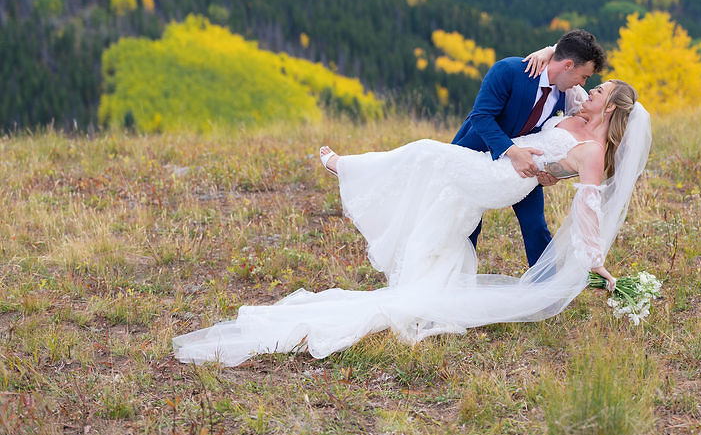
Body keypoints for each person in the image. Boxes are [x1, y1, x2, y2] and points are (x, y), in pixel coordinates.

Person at [173, 79, 651, 366]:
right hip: (502, 167)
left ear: (609, 108)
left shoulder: (592, 150)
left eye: (600, 91)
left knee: (426, 152)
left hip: (501, 178)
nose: (590, 90)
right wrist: (549, 54)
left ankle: (347, 167)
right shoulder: (577, 111)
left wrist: (595, 261)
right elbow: (564, 74)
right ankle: (424, 290)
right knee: (444, 215)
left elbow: (587, 205)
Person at [452, 28, 607, 268]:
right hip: (475, 152)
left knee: (535, 225)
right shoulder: (509, 70)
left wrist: (553, 173)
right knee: (468, 221)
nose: (583, 84)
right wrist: (513, 152)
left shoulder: (566, 95)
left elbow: (566, 140)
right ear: (568, 66)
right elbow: (481, 117)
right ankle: (459, 278)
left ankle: (547, 286)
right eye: (584, 76)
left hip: (525, 169)